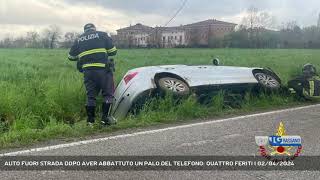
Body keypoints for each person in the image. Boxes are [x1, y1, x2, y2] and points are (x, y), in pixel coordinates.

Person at [68, 23, 117, 126]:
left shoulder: (78, 39)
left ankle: (90, 122)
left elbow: (71, 57)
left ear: (85, 30)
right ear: (94, 29)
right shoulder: (102, 34)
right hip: (103, 70)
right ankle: (105, 119)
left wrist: (83, 56)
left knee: (91, 96)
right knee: (108, 94)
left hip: (88, 71)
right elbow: (113, 51)